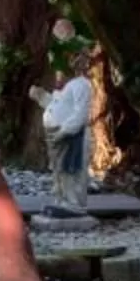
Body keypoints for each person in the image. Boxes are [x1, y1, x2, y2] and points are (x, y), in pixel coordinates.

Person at [33, 31, 94, 216]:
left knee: (72, 171)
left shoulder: (81, 85)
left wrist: (64, 131)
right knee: (60, 172)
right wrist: (41, 97)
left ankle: (74, 205)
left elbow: (80, 114)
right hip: (58, 136)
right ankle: (62, 201)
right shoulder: (66, 86)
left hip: (72, 136)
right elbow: (58, 107)